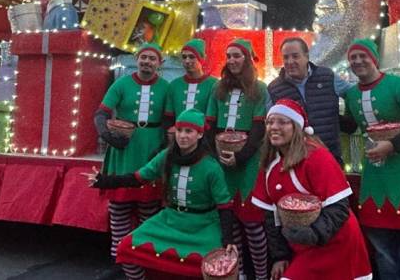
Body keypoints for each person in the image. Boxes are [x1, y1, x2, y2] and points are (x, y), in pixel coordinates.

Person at [85, 108, 236, 279]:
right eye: (179, 130)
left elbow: (224, 206)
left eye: (189, 131)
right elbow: (138, 178)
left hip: (203, 225)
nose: (182, 136)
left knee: (213, 266)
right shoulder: (167, 155)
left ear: (200, 134)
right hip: (170, 220)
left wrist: (227, 240)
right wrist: (103, 180)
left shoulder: (211, 167)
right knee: (126, 247)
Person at [343, 39, 400, 280]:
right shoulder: (351, 94)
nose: (357, 61)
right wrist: (313, 109)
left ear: (374, 58)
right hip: (376, 179)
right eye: (353, 57)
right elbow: (350, 126)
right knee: (384, 254)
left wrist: (392, 146)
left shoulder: (397, 84)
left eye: (362, 56)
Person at [251, 99, 372, 280]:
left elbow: (339, 208)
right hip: (303, 247)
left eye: (282, 122)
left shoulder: (317, 157)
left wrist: (313, 233)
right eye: (269, 122)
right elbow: (271, 216)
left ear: (297, 127)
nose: (273, 127)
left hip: (337, 243)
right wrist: (280, 256)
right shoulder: (269, 165)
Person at [92, 42, 169, 264]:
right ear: (137, 59)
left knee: (148, 208)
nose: (147, 62)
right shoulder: (122, 83)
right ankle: (119, 256)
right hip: (123, 150)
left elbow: (169, 120)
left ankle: (142, 255)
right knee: (119, 207)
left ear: (160, 63)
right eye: (143, 57)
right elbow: (101, 113)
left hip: (150, 151)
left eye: (152, 58)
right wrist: (106, 134)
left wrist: (163, 147)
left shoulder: (166, 87)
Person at [206, 38, 269, 280]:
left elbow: (259, 129)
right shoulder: (218, 88)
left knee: (253, 224)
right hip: (222, 162)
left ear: (248, 59)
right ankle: (238, 272)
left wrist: (240, 157)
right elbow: (210, 125)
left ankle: (261, 275)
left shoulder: (260, 88)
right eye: (229, 56)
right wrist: (216, 156)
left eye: (237, 55)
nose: (232, 60)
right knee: (229, 224)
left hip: (248, 163)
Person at [267, 37, 355, 164]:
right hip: (294, 161)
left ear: (306, 57)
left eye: (295, 56)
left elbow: (354, 94)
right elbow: (269, 125)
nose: (290, 61)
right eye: (286, 57)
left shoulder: (327, 77)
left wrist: (349, 120)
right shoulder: (274, 89)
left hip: (329, 156)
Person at [165, 38, 217, 121]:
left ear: (202, 58)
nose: (187, 61)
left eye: (192, 57)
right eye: (184, 57)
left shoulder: (214, 84)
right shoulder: (174, 85)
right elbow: (168, 117)